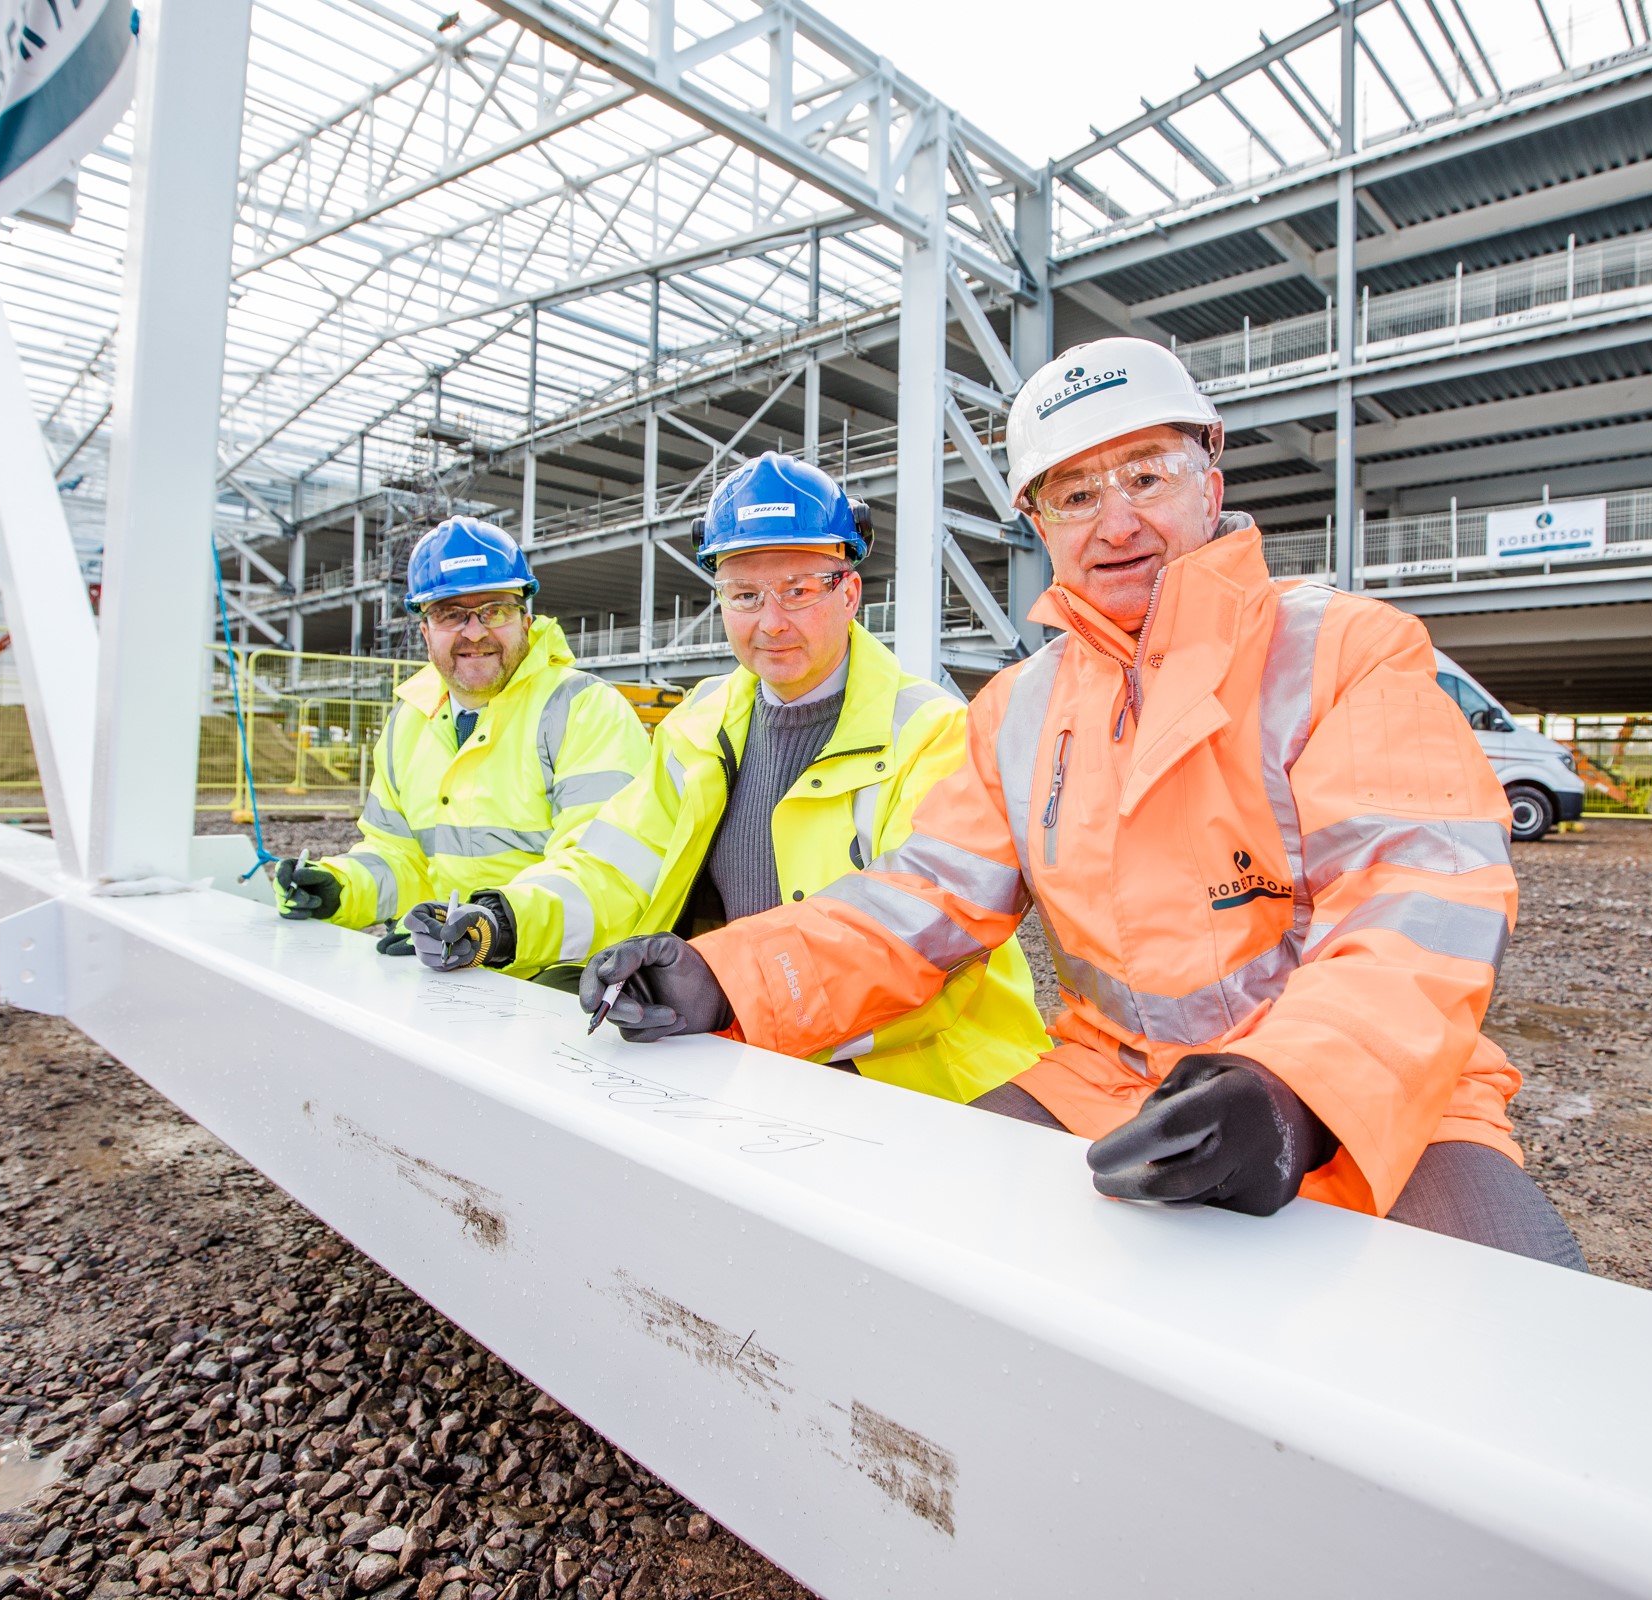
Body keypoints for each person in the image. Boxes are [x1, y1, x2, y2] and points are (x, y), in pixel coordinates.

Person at [575, 340, 1584, 1267]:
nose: (1116, 522)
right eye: (1074, 495)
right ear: (1037, 524)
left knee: (1506, 1342)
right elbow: (921, 902)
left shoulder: (1347, 652)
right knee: (916, 1263)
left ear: (1210, 485)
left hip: (1379, 1089)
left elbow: (1417, 901)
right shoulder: (1022, 709)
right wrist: (725, 975)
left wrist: (1297, 1090)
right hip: (1111, 1081)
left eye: (1146, 476)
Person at [403, 452, 1050, 1110]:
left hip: (928, 1085)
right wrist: (503, 920)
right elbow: (616, 866)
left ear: (849, 591)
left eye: (799, 590)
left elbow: (916, 937)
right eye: (745, 595)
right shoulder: (699, 726)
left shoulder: (931, 734)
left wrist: (728, 984)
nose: (771, 621)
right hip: (759, 1049)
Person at [273, 517, 649, 976]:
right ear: (426, 631)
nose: (474, 632)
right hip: (452, 961)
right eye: (451, 613)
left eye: (495, 610)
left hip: (567, 973)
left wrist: (497, 926)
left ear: (526, 620)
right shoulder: (408, 720)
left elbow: (606, 872)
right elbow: (400, 858)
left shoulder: (583, 709)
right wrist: (340, 889)